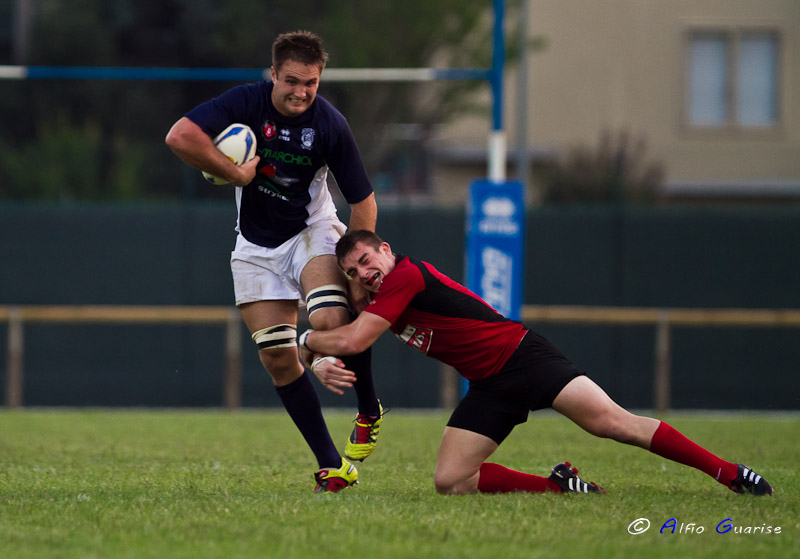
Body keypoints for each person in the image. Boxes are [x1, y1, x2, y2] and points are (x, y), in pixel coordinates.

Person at [298, 230, 774, 496]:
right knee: (451, 481)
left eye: (366, 259)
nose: (365, 272)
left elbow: (356, 337)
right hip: (489, 384)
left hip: (522, 356)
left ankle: (729, 472)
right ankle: (559, 486)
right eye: (355, 271)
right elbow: (352, 341)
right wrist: (316, 355)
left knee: (613, 423)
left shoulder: (405, 275)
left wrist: (308, 339)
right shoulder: (380, 293)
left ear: (385, 248)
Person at [165, 31, 384, 493]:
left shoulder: (330, 125)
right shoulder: (246, 103)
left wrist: (360, 272)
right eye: (292, 81)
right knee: (279, 361)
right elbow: (180, 136)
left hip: (312, 232)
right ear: (273, 76)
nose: (301, 91)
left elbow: (364, 203)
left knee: (330, 316)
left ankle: (367, 410)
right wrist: (235, 172)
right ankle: (333, 466)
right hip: (255, 245)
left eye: (311, 82)